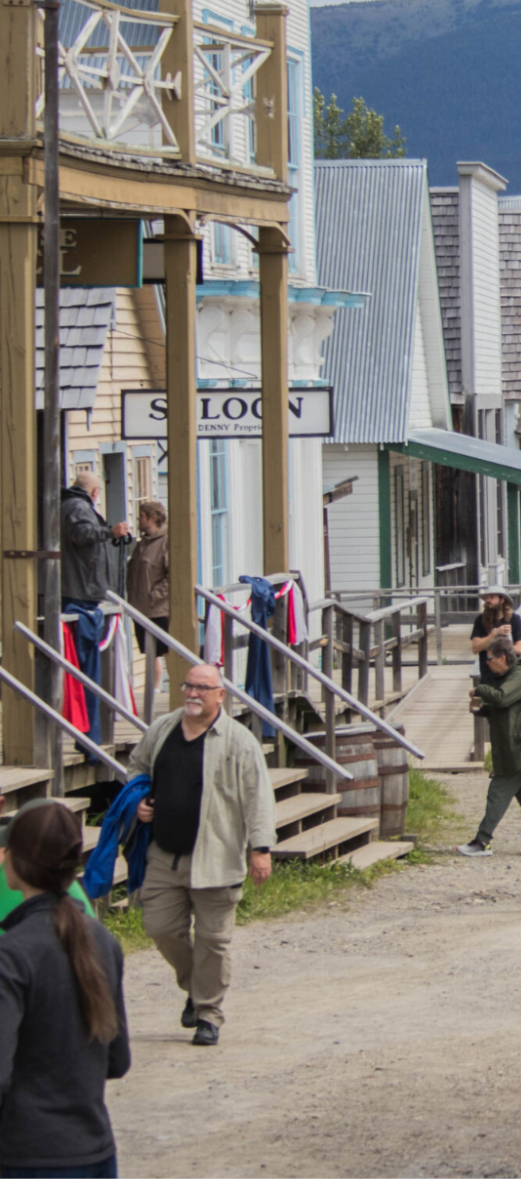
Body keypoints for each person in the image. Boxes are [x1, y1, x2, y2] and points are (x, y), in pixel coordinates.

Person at [130, 662, 276, 1044]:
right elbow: (137, 767)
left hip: (217, 857)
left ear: (220, 695)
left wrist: (260, 849)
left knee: (214, 940)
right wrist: (139, 801)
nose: (193, 693)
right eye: (189, 685)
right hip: (164, 854)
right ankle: (196, 990)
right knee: (159, 928)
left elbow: (258, 799)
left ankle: (208, 1013)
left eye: (202, 688)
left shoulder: (239, 741)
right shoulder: (162, 729)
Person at [0, 801, 130, 1179]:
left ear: (17, 862)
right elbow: (117, 1061)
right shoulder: (103, 940)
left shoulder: (12, 952)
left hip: (28, 1157)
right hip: (96, 1153)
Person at [460, 643, 521, 857]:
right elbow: (504, 707)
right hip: (516, 746)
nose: (487, 663)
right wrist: (481, 710)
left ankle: (482, 840)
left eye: (489, 658)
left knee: (498, 792)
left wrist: (480, 689)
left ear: (503, 657)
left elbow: (502, 697)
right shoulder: (509, 677)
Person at [58, 470, 131, 747]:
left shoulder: (74, 504)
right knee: (85, 663)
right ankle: (88, 733)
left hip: (83, 590)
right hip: (81, 592)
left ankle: (90, 731)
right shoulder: (77, 506)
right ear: (95, 492)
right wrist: (109, 531)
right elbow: (81, 534)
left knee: (85, 663)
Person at [126, 498, 171, 709]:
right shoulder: (142, 543)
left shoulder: (166, 541)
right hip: (140, 608)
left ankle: (177, 686)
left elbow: (173, 576)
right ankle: (154, 690)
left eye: (142, 516)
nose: (138, 519)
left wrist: (155, 595)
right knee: (149, 650)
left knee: (166, 649)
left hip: (159, 608)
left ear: (152, 518)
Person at [470, 589, 521, 660]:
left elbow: (520, 649)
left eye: (492, 597)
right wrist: (494, 634)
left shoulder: (514, 619)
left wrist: (494, 647)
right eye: (487, 598)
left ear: (502, 599)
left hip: (510, 668)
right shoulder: (480, 619)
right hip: (487, 668)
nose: (488, 600)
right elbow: (475, 648)